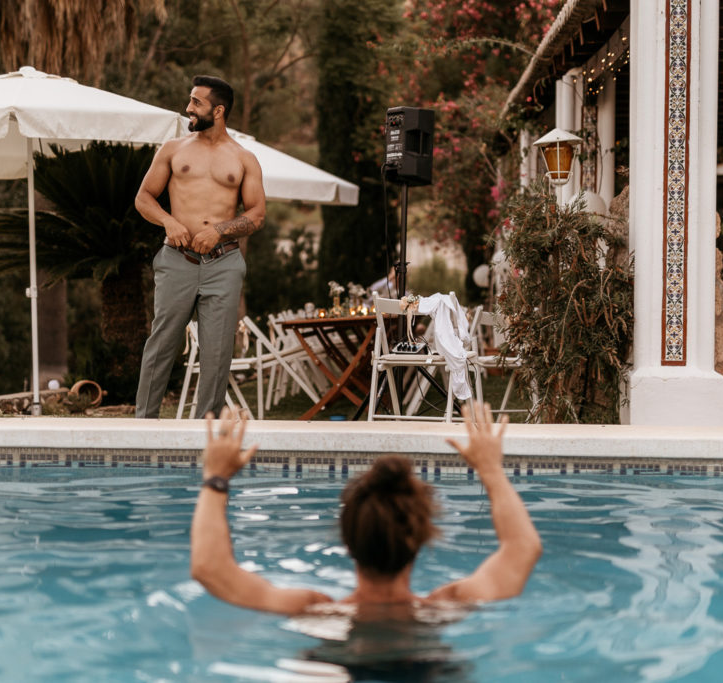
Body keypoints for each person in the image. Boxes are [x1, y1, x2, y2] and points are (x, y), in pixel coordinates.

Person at [190, 403, 542, 615]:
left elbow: (210, 567)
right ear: (419, 540)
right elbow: (522, 547)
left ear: (348, 541)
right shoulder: (445, 608)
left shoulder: (318, 612)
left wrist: (216, 477)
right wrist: (491, 470)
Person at [133, 75, 266, 419]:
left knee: (217, 352)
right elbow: (144, 198)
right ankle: (143, 426)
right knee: (161, 345)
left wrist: (221, 231)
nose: (188, 108)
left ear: (218, 111)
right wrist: (169, 222)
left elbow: (257, 214)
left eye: (196, 102)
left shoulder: (244, 158)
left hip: (224, 263)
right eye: (190, 100)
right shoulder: (173, 150)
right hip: (177, 260)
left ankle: (204, 429)